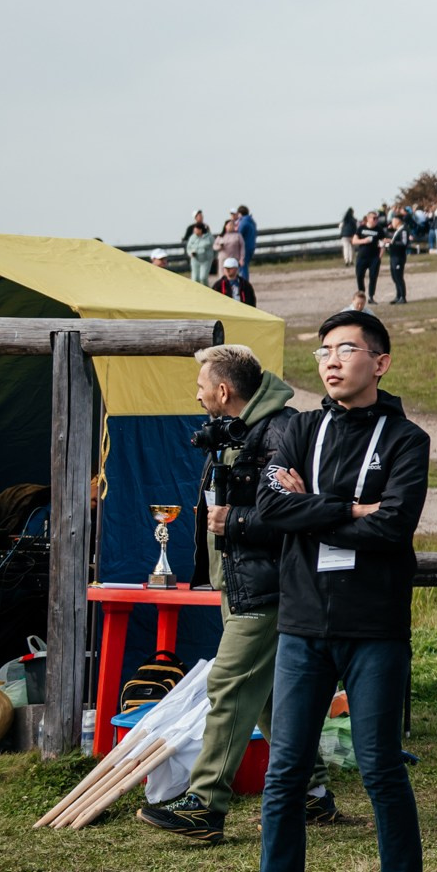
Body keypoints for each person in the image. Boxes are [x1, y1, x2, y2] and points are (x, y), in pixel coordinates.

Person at [243, 310, 431, 872]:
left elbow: (395, 526)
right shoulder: (296, 427)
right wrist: (352, 508)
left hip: (374, 625)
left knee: (380, 765)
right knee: (286, 769)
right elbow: (271, 508)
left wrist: (312, 512)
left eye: (345, 349)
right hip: (301, 623)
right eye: (323, 350)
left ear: (379, 362)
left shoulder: (407, 440)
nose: (330, 360)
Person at [139, 345, 336, 841]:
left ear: (224, 391)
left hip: (270, 587)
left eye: (203, 386)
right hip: (244, 584)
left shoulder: (279, 432)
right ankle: (312, 795)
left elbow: (304, 512)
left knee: (226, 686)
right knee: (266, 695)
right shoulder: (240, 433)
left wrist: (238, 521)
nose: (198, 394)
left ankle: (204, 805)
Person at [349, 211, 382, 302]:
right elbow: (354, 241)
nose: (376, 220)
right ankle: (361, 293)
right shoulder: (361, 228)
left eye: (377, 218)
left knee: (373, 277)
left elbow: (383, 242)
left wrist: (380, 256)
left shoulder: (379, 229)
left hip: (374, 257)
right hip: (362, 257)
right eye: (374, 218)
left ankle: (371, 296)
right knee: (359, 276)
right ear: (368, 218)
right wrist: (364, 241)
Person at [384, 212, 411, 304]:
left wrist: (391, 242)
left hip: (399, 257)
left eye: (393, 220)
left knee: (399, 277)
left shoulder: (403, 230)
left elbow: (404, 243)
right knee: (394, 276)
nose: (392, 222)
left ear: (398, 221)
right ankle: (398, 296)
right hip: (393, 256)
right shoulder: (397, 230)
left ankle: (403, 297)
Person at [184, 219, 216, 288]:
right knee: (195, 278)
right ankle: (196, 292)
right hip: (195, 260)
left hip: (206, 260)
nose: (195, 231)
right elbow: (188, 248)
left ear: (200, 230)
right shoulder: (192, 237)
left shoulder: (209, 237)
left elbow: (214, 246)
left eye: (196, 229)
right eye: (194, 230)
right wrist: (191, 253)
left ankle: (207, 290)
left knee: (203, 277)